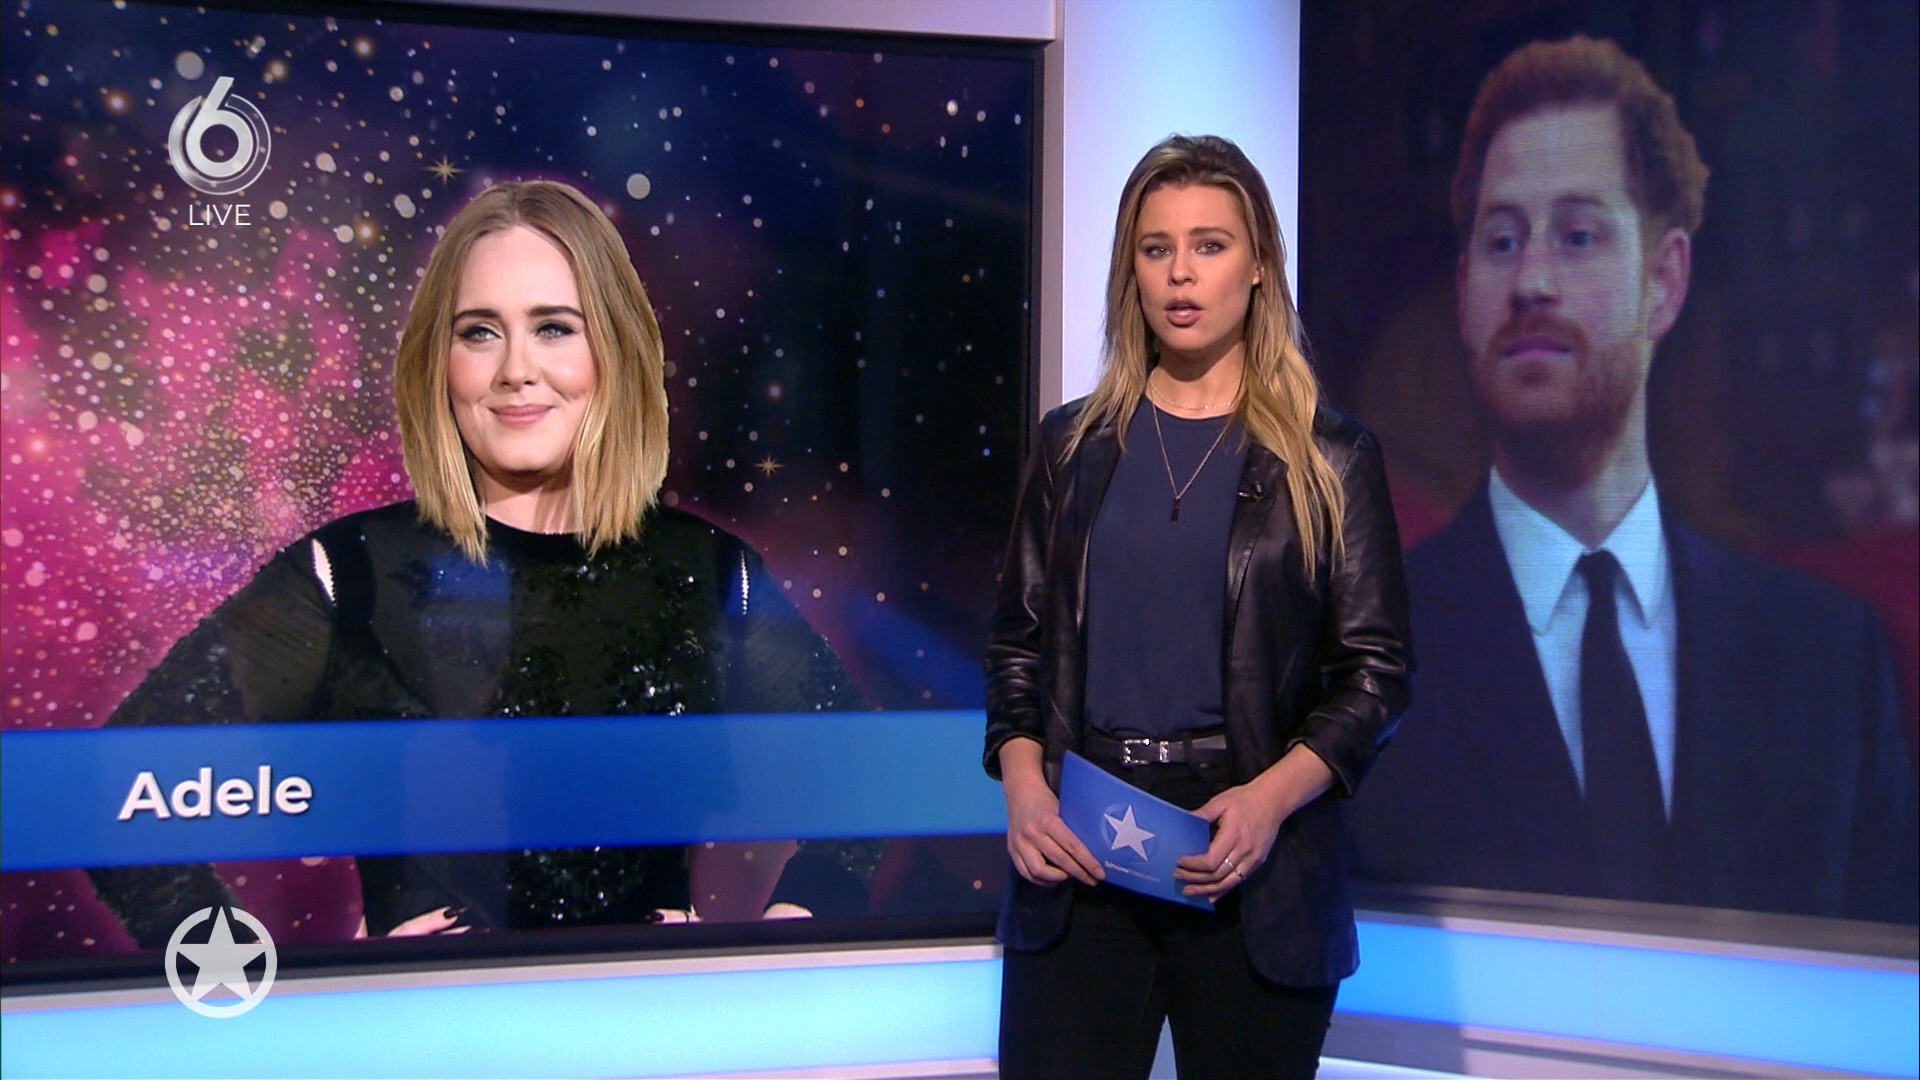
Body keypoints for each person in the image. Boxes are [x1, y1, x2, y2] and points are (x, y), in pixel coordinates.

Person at [87, 180, 874, 946]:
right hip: (423, 1024)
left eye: (554, 328)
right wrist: (258, 985)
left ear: (615, 350)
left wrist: (790, 929)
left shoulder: (709, 570)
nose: (515, 370)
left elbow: (873, 776)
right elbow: (109, 791)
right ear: (439, 361)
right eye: (479, 332)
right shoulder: (345, 573)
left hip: (646, 1019)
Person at [1345, 36, 1918, 923]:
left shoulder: (1833, 665)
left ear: (1665, 279)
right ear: (1463, 292)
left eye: (1577, 235)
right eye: (1502, 241)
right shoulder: (1358, 648)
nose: (1532, 280)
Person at [984, 135, 1412, 1080]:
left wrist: (1269, 800)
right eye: (1157, 248)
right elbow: (1018, 645)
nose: (1180, 273)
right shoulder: (1070, 448)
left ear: (1258, 266)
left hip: (1250, 857)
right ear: (1130, 270)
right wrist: (1024, 789)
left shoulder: (1331, 457)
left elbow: (1376, 676)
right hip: (1082, 851)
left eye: (1209, 245)